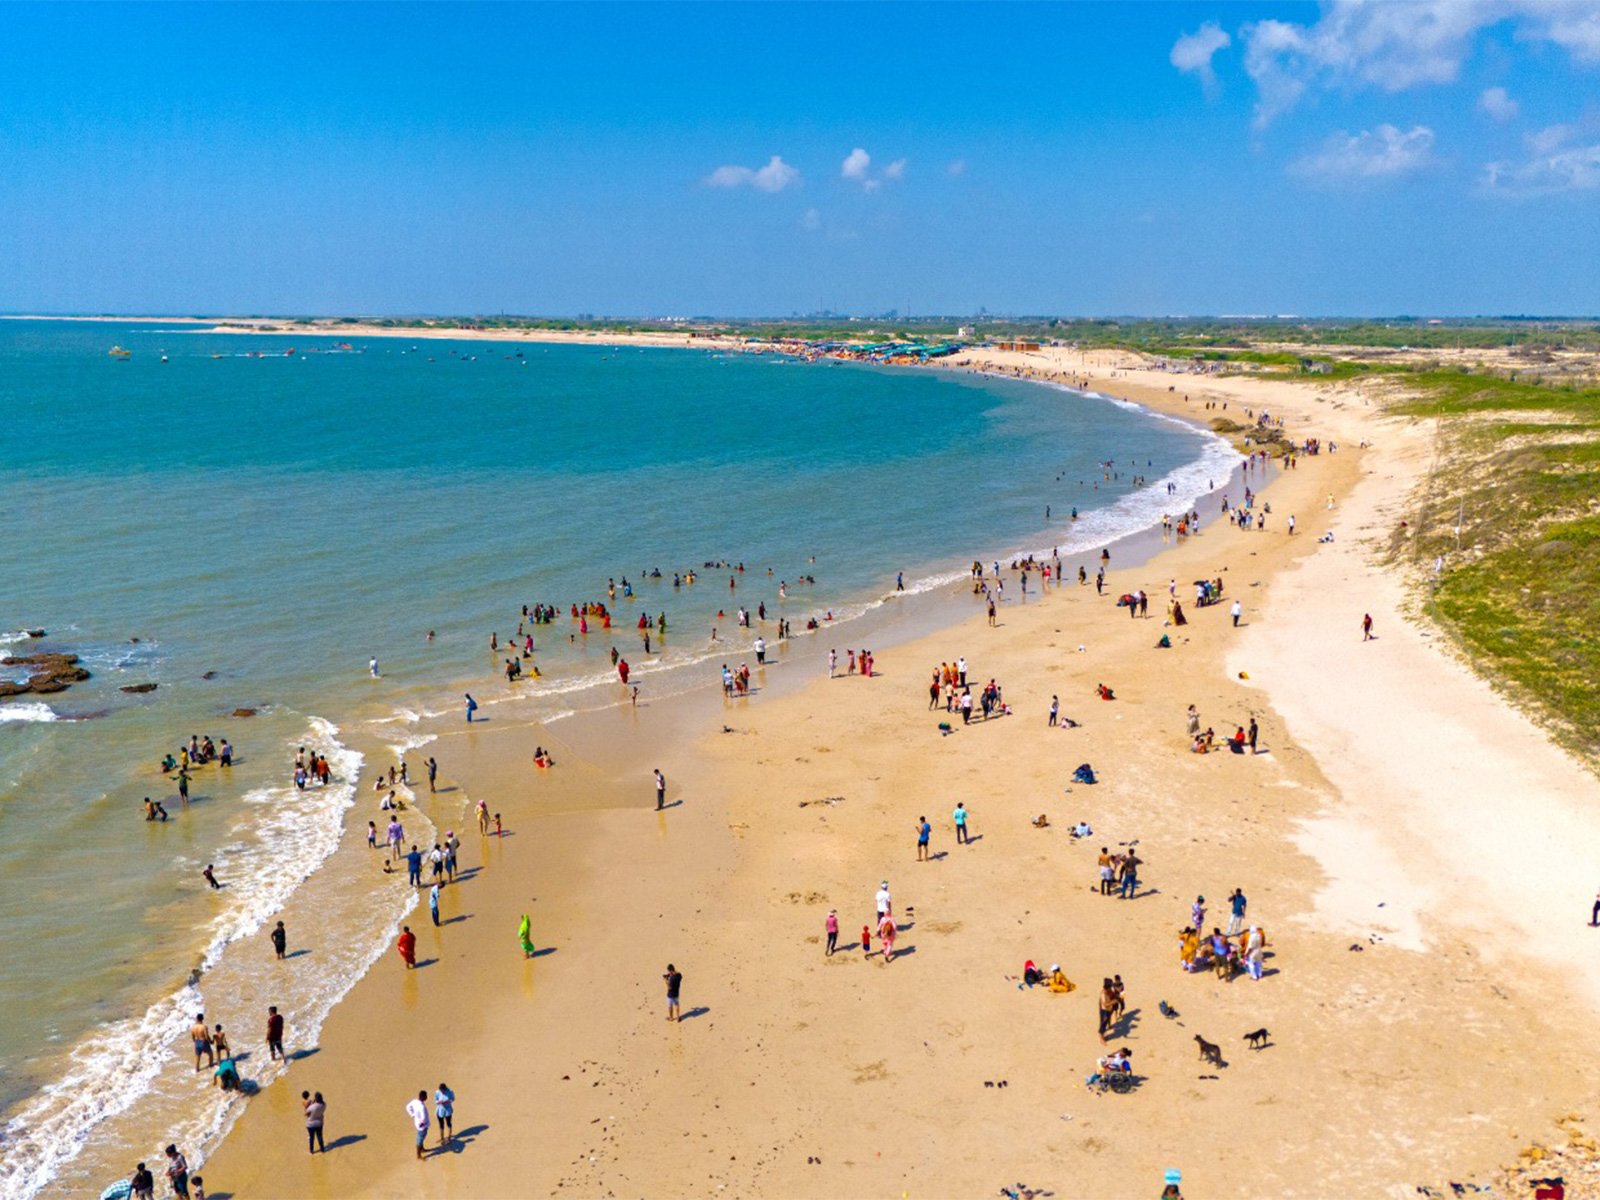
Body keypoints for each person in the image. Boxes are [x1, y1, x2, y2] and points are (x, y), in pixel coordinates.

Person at [406, 1090, 431, 1160]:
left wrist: (412, 1114)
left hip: (417, 1122)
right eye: (426, 1096)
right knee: (420, 1138)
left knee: (421, 1137)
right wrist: (423, 1123)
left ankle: (422, 1149)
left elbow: (408, 1107)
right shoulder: (422, 1107)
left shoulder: (414, 1101)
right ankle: (418, 1155)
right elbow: (424, 1117)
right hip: (422, 1125)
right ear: (424, 1097)